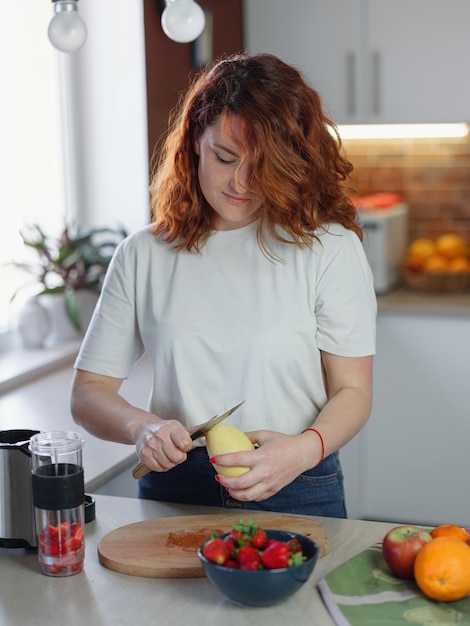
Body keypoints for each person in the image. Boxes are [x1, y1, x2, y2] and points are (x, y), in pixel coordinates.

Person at [70, 53, 376, 518]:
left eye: (264, 165)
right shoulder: (143, 253)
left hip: (296, 479)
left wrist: (302, 450)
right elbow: (88, 391)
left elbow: (353, 391)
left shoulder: (327, 247)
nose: (242, 183)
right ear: (195, 138)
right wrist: (141, 428)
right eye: (225, 157)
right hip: (174, 486)